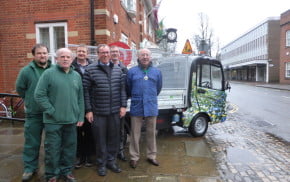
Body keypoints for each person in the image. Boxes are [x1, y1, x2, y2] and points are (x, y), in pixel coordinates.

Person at [34, 48, 84, 182]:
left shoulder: (76, 76)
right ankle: (52, 174)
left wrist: (80, 116)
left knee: (69, 149)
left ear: (72, 59)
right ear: (57, 59)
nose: (65, 59)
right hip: (53, 122)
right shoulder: (48, 74)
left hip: (71, 120)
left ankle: (67, 171)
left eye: (68, 57)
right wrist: (50, 110)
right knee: (52, 150)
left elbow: (80, 98)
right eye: (62, 56)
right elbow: (39, 95)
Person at [83, 44, 127, 176]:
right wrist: (88, 110)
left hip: (114, 112)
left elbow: (122, 90)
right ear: (98, 54)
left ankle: (111, 161)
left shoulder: (118, 70)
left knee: (114, 138)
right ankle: (101, 164)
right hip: (98, 113)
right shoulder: (90, 69)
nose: (105, 54)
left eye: (107, 52)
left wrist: (123, 106)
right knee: (100, 139)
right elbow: (85, 91)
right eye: (102, 52)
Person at [16, 43, 53, 182]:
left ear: (48, 54)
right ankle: (30, 168)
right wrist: (30, 100)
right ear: (34, 55)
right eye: (39, 53)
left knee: (52, 143)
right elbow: (20, 88)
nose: (42, 55)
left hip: (51, 113)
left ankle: (51, 167)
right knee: (32, 142)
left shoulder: (55, 69)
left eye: (44, 53)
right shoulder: (26, 71)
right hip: (34, 113)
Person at [126, 48, 162, 169]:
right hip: (137, 106)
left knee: (151, 133)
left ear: (150, 57)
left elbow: (158, 88)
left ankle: (151, 156)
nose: (145, 57)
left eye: (147, 55)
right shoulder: (131, 72)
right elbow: (128, 87)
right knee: (135, 134)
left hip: (151, 106)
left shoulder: (157, 72)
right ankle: (134, 157)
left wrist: (149, 97)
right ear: (138, 57)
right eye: (143, 55)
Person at [72, 45, 95, 168]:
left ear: (87, 53)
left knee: (90, 131)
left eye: (83, 51)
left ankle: (89, 156)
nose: (81, 53)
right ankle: (80, 156)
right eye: (79, 51)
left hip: (91, 103)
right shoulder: (71, 67)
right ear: (76, 53)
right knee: (78, 131)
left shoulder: (93, 66)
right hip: (76, 104)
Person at [110, 45, 128, 162]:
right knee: (109, 130)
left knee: (120, 130)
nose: (115, 53)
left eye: (116, 52)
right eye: (113, 52)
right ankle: (110, 152)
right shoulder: (105, 67)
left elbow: (126, 88)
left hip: (119, 104)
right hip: (107, 104)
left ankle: (120, 151)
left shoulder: (124, 68)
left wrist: (124, 104)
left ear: (119, 54)